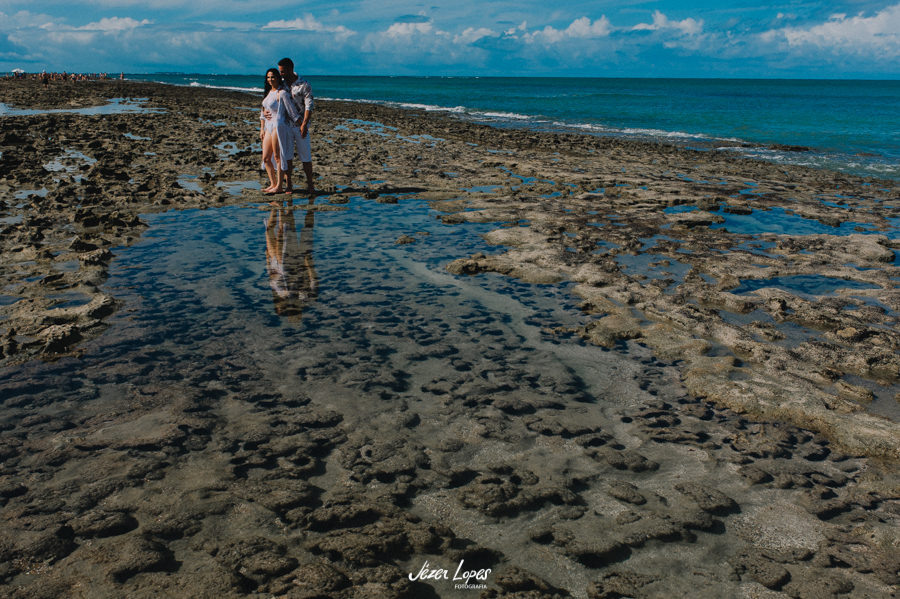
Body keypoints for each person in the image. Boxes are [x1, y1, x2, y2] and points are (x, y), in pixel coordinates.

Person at [275, 57, 316, 194]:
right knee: (287, 156)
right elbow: (272, 98)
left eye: (283, 71)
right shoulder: (281, 85)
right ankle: (289, 185)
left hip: (300, 126)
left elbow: (309, 106)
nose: (281, 74)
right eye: (280, 71)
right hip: (285, 125)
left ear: (290, 69)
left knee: (305, 155)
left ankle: (310, 184)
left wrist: (304, 124)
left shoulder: (304, 85)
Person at [259, 68, 301, 195]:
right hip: (268, 127)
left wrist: (302, 124)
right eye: (268, 77)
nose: (270, 79)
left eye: (273, 77)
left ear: (278, 78)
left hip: (278, 126)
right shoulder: (268, 92)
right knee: (266, 158)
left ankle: (279, 186)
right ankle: (272, 183)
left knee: (278, 157)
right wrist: (262, 128)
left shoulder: (281, 93)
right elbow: (262, 112)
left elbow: (291, 110)